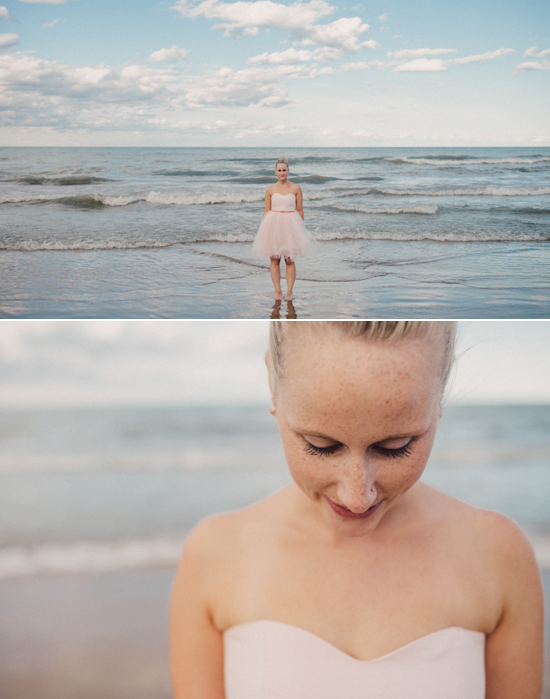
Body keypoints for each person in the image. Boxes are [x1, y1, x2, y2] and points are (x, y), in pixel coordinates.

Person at [170, 321, 544, 699]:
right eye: (321, 444)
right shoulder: (215, 554)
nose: (357, 497)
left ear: (440, 396)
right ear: (272, 384)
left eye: (396, 446)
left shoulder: (498, 555)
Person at [252, 158, 310, 301]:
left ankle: (289, 293)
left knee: (289, 260)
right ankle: (278, 292)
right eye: (279, 170)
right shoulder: (270, 189)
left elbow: (300, 210)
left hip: (291, 225)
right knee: (274, 259)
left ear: (288, 171)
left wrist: (299, 230)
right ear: (275, 172)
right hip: (273, 225)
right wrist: (264, 230)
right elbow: (266, 210)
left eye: (284, 170)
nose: (282, 173)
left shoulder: (296, 188)